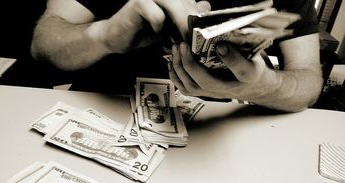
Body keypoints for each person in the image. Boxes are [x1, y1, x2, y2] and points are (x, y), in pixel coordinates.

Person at [31, 0, 323, 112]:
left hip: (221, 137)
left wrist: (262, 86)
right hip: (103, 117)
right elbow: (43, 45)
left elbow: (308, 82)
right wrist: (104, 35)